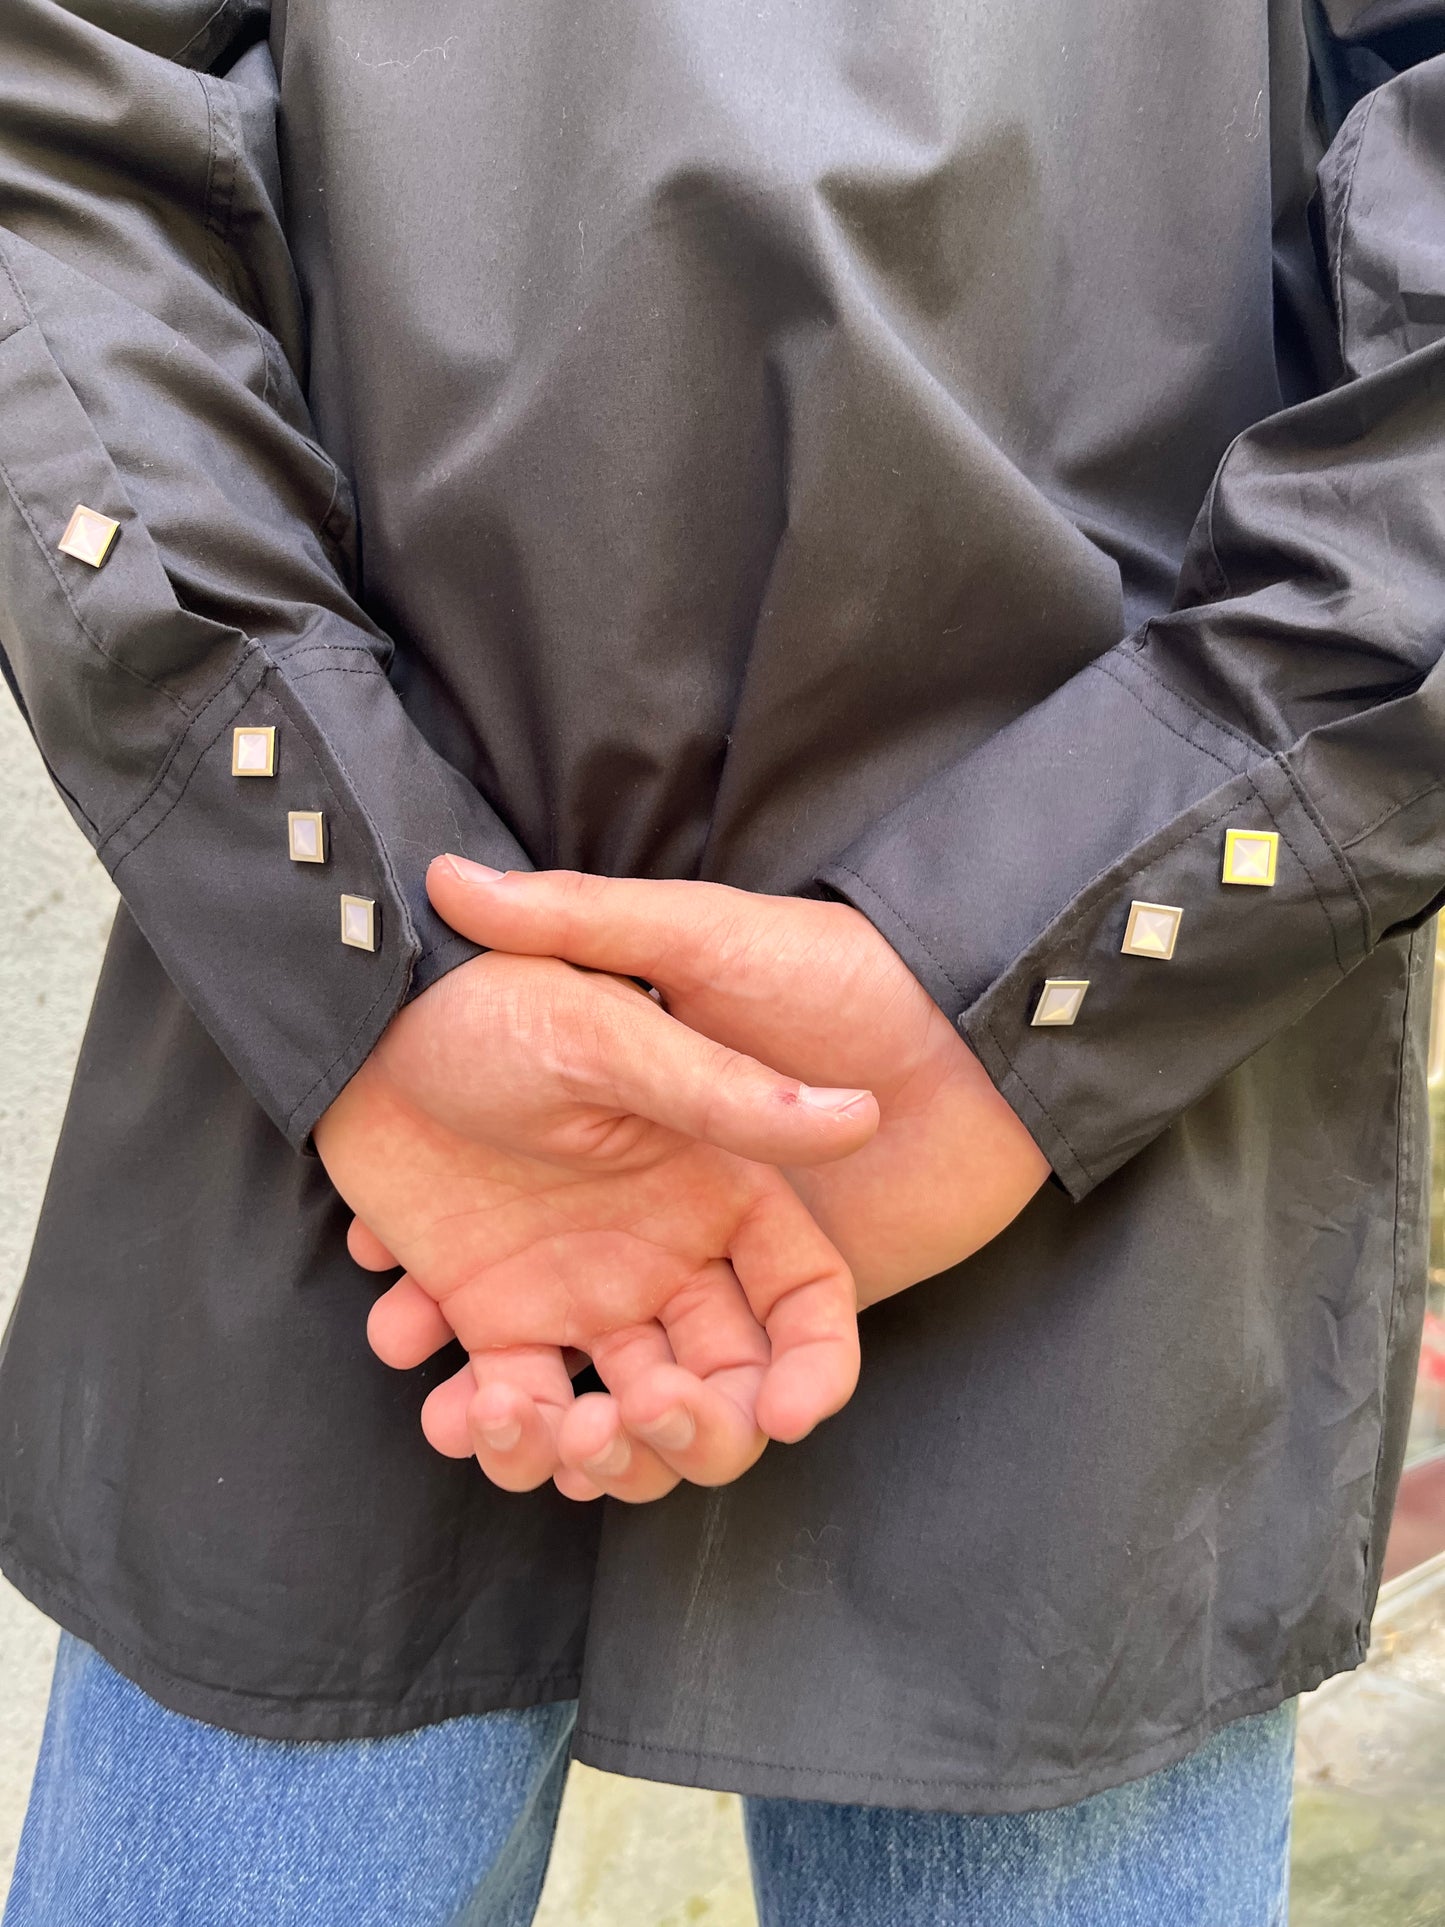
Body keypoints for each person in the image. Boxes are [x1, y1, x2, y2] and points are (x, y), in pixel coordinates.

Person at [0, 1, 1441, 1921]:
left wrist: (1053, 961)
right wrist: (355, 933)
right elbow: (56, 119)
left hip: (1089, 1155)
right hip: (364, 1140)